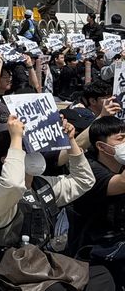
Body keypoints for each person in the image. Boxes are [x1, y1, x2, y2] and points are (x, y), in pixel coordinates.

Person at [0, 113, 110, 291]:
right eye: (25, 149)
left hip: (40, 269)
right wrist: (15, 137)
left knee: (101, 275)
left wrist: (70, 142)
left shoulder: (41, 184)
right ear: (8, 159)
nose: (34, 153)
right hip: (7, 278)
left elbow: (83, 181)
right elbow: (13, 185)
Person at [70, 117, 125, 287]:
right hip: (96, 251)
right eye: (121, 138)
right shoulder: (91, 170)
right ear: (101, 146)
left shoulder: (121, 166)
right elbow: (121, 184)